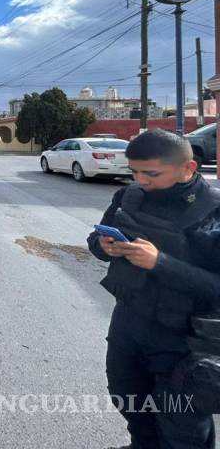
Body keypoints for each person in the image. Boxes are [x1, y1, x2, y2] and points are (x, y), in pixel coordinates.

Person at [87, 129, 220, 449]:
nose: (141, 180)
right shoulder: (128, 197)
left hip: (185, 340)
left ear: (189, 169)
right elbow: (93, 243)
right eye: (134, 171)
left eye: (152, 173)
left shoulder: (211, 211)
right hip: (129, 325)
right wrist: (105, 246)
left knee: (182, 427)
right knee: (129, 401)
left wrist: (160, 262)